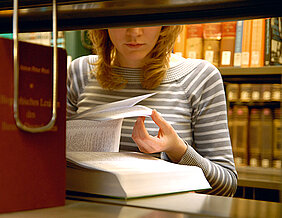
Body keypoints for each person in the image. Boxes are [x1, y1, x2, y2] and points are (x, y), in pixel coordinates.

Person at [67, 26, 238, 197]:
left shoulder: (200, 77)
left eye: (145, 21)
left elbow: (226, 185)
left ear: (165, 25)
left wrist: (176, 149)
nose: (134, 33)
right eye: (124, 19)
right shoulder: (80, 72)